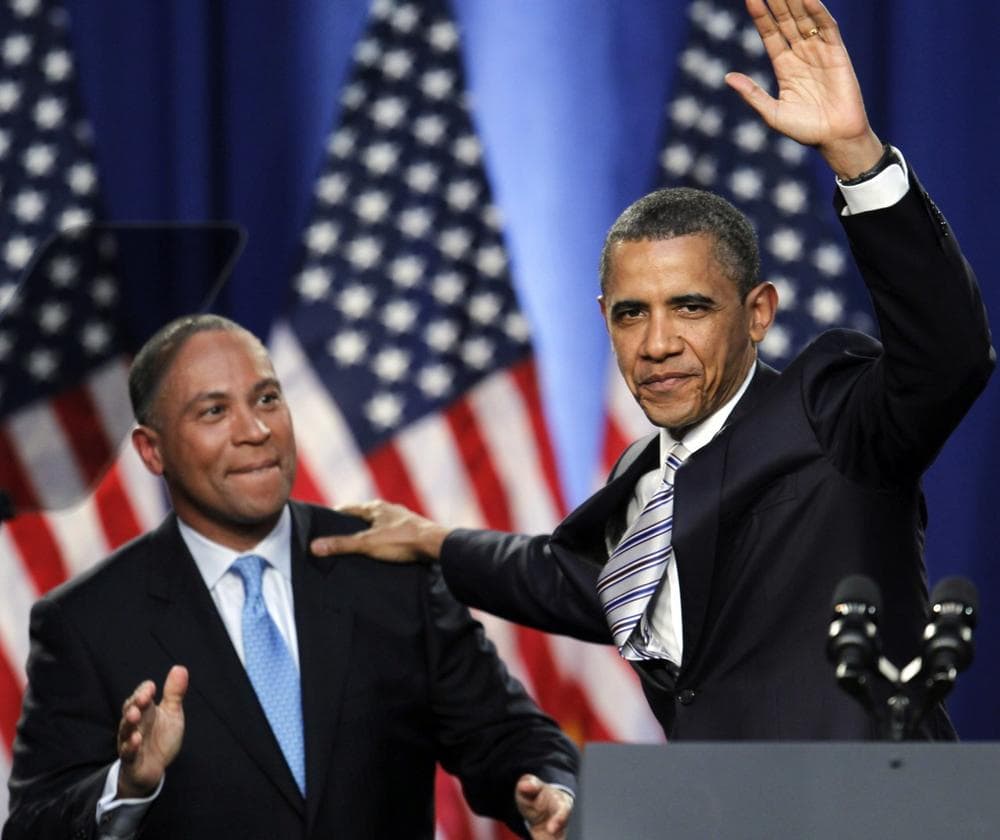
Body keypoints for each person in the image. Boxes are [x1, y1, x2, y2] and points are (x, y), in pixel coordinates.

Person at [309, 0, 995, 741]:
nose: (657, 342)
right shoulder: (644, 484)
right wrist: (432, 540)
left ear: (758, 313)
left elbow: (948, 357)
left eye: (691, 308)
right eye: (632, 313)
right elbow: (561, 580)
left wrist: (856, 155)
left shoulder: (831, 420)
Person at [3, 315, 578, 840]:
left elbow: (505, 736)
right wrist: (126, 787)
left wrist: (548, 790)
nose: (254, 430)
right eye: (213, 411)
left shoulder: (384, 567)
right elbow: (31, 826)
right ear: (152, 452)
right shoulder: (87, 622)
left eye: (267, 398)